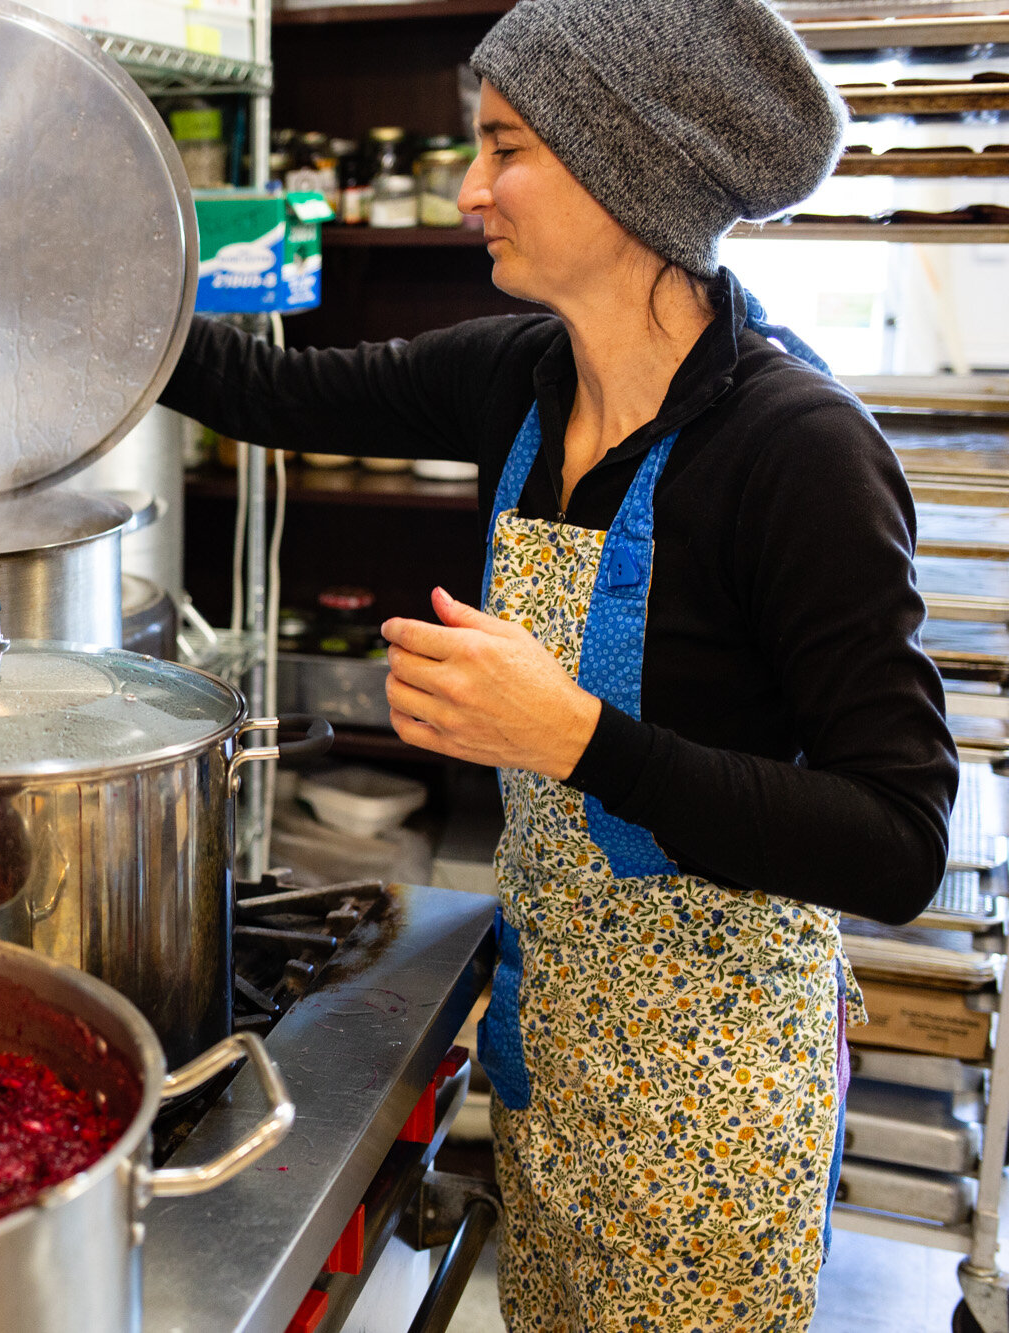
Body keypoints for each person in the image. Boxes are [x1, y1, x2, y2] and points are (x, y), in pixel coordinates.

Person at [158, 0, 958, 1326]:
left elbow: (897, 840)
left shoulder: (800, 449)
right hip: (558, 1062)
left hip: (716, 1103)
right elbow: (271, 393)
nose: (472, 190)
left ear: (627, 168)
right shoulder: (522, 377)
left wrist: (578, 737)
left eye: (507, 147)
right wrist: (52, 268)